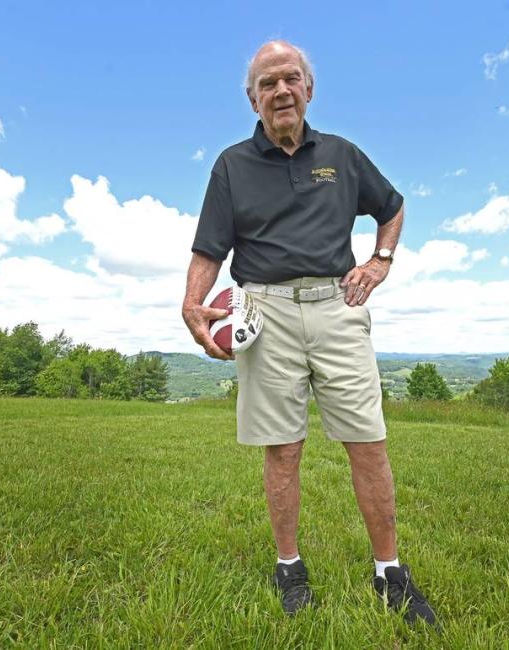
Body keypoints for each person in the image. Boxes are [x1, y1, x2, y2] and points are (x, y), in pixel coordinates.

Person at [181, 40, 437, 628]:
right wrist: (192, 303)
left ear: (309, 88)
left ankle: (389, 571)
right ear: (253, 99)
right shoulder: (231, 165)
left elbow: (392, 207)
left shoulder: (343, 156)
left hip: (336, 304)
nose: (281, 92)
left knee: (368, 442)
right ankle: (289, 566)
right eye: (267, 84)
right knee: (283, 448)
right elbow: (209, 247)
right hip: (263, 313)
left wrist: (381, 262)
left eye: (290, 79)